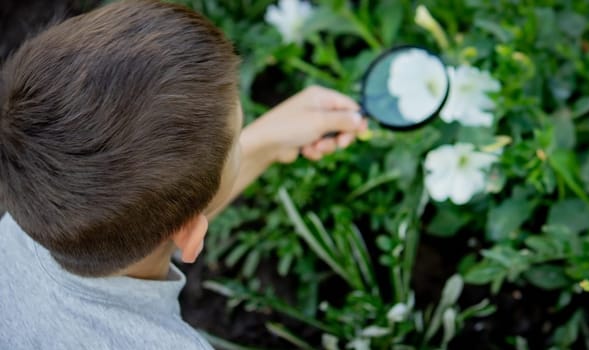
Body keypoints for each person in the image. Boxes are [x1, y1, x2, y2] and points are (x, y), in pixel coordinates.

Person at [0, 0, 367, 348]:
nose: (242, 141)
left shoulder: (39, 188)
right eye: (237, 142)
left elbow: (158, 220)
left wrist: (267, 142)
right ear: (190, 238)